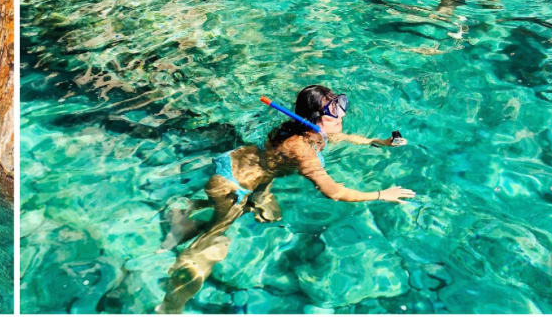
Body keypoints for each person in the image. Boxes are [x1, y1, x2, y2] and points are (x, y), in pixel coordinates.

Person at [157, 86, 415, 314]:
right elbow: (334, 192)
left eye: (340, 102)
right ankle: (170, 305)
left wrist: (379, 142)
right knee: (214, 242)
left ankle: (184, 222)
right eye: (335, 109)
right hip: (232, 186)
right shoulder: (302, 149)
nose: (343, 112)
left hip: (243, 172)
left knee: (267, 214)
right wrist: (382, 195)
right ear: (317, 118)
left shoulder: (306, 131)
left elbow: (340, 137)